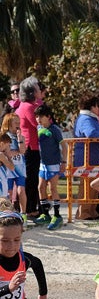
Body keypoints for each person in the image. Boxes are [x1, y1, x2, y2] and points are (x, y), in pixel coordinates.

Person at [32, 104, 67, 230]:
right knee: (40, 187)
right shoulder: (37, 128)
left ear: (48, 116)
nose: (38, 119)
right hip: (43, 164)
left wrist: (64, 162)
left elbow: (64, 146)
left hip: (53, 164)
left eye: (40, 116)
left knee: (53, 188)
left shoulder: (54, 130)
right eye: (36, 116)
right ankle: (45, 213)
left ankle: (57, 215)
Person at [15, 78, 43, 217]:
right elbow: (38, 124)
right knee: (31, 180)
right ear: (32, 92)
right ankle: (31, 209)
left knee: (30, 179)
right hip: (31, 147)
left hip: (29, 147)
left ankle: (30, 207)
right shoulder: (29, 107)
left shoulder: (24, 105)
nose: (40, 90)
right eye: (38, 88)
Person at [0, 114, 26, 213]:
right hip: (7, 168)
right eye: (16, 123)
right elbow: (8, 153)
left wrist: (19, 139)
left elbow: (23, 150)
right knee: (8, 192)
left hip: (20, 166)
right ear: (9, 124)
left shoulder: (20, 137)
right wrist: (17, 152)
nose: (18, 125)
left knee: (21, 190)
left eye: (19, 123)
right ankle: (7, 212)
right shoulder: (5, 136)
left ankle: (23, 213)